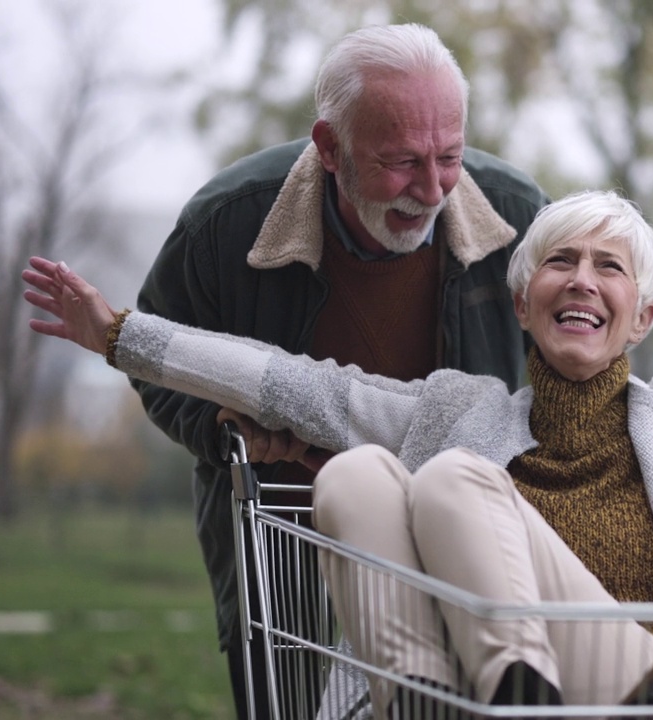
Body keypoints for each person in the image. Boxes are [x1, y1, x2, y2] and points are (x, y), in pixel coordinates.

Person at [23, 183, 653, 717]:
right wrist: (121, 335)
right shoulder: (450, 408)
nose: (580, 280)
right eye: (557, 261)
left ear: (641, 312)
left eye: (608, 268)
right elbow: (288, 383)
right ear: (522, 302)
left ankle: (520, 687)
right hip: (445, 691)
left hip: (647, 695)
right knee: (352, 469)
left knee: (459, 482)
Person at [129, 22, 549, 718]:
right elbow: (156, 358)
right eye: (401, 161)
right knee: (289, 699)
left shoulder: (520, 218)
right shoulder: (224, 226)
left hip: (458, 523)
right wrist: (223, 426)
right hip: (284, 525)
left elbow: (571, 366)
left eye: (449, 155)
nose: (433, 187)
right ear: (329, 147)